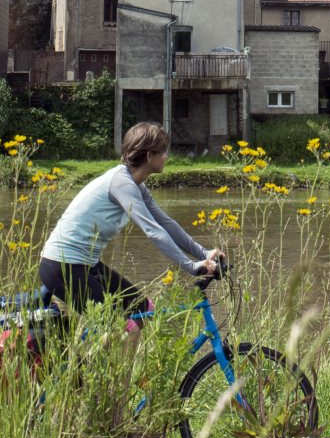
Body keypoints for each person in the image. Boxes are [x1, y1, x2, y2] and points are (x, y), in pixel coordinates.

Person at [39, 123, 223, 332]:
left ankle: (103, 361)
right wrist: (190, 266)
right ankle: (104, 364)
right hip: (61, 267)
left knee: (143, 310)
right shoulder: (121, 183)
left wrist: (204, 253)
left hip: (85, 264)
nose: (167, 157)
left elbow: (165, 222)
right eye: (163, 151)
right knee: (127, 328)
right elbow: (153, 230)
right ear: (149, 155)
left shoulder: (136, 185)